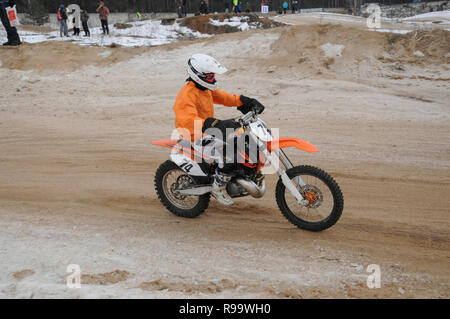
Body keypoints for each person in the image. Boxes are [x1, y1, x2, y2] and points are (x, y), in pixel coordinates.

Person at [173, 54, 264, 206]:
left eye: (212, 75)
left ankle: (245, 174)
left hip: (207, 128)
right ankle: (218, 186)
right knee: (229, 151)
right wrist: (214, 123)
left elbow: (225, 98)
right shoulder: (186, 95)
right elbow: (187, 121)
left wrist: (246, 101)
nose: (212, 78)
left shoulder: (205, 88)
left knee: (245, 138)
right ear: (197, 74)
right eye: (209, 76)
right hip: (193, 133)